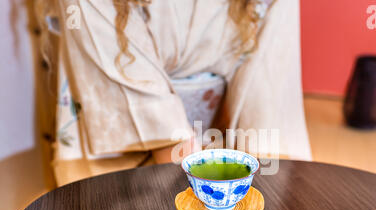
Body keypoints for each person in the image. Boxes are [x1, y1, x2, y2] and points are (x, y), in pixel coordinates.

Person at [36, 0, 311, 186]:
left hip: (211, 141)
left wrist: (257, 179)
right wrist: (193, 181)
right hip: (114, 142)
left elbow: (266, 84)